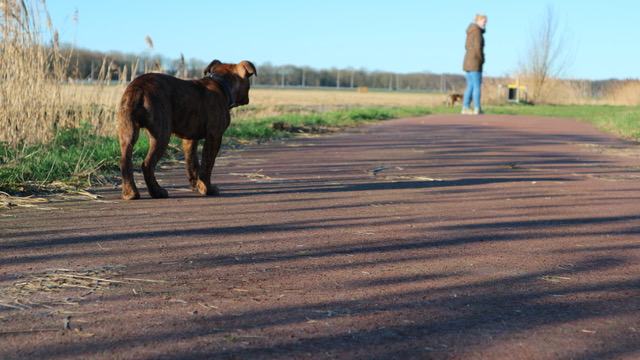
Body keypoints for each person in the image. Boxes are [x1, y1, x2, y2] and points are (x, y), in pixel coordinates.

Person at [462, 14, 487, 115]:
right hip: (475, 62)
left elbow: (466, 46)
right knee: (476, 85)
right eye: (484, 21)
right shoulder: (477, 32)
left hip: (467, 61)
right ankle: (477, 107)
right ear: (478, 21)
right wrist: (481, 59)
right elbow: (478, 48)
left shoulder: (470, 31)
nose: (486, 23)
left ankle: (465, 107)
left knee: (470, 85)